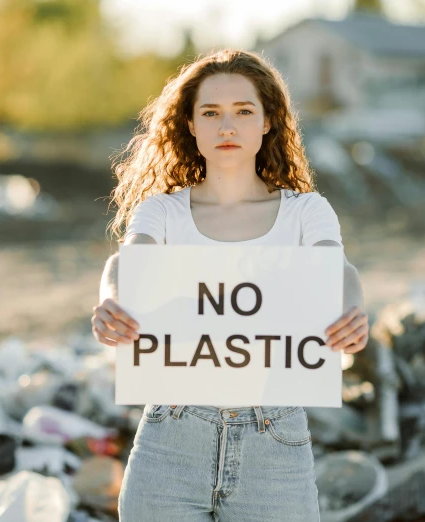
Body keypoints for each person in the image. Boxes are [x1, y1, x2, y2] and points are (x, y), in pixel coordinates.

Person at [91, 49, 369, 521]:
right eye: (211, 113)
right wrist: (111, 300)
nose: (227, 127)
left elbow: (336, 270)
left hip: (275, 440)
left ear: (266, 123)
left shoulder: (307, 211)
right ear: (191, 125)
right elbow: (128, 261)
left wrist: (353, 310)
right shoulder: (162, 211)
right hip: (170, 440)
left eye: (243, 111)